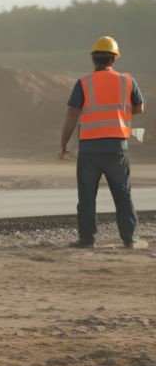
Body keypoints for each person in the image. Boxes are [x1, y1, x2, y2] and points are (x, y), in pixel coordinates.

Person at [59, 36, 145, 248]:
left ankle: (86, 239)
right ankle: (130, 239)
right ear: (114, 58)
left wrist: (63, 143)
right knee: (123, 193)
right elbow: (139, 108)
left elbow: (72, 114)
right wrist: (121, 113)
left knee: (87, 196)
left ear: (93, 58)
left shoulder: (83, 83)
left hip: (89, 148)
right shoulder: (127, 81)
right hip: (117, 147)